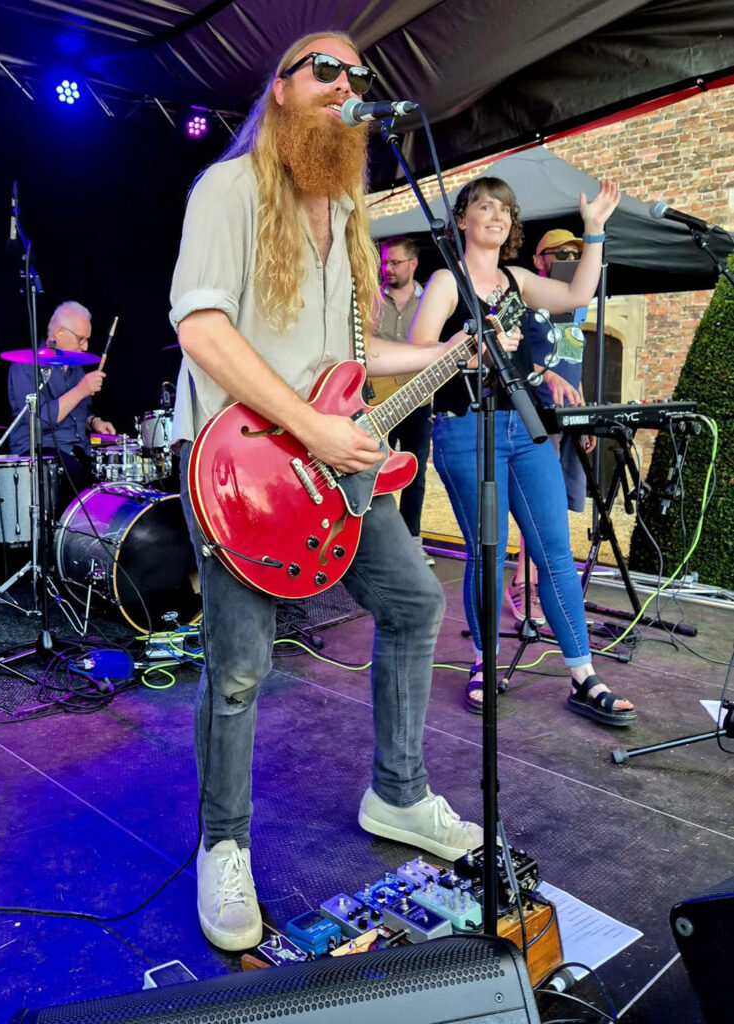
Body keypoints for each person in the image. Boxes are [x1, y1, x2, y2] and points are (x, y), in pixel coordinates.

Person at [169, 31, 487, 953]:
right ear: (279, 90)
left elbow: (351, 356)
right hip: (239, 466)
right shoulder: (229, 188)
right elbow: (201, 327)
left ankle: (397, 792)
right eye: (324, 69)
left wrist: (441, 354)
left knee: (414, 601)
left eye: (357, 74)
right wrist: (310, 430)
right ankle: (222, 845)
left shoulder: (348, 209)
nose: (345, 84)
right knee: (239, 666)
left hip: (333, 453)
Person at [409, 175, 636, 727]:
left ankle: (583, 675)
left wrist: (595, 231)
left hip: (524, 426)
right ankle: (484, 662)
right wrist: (470, 355)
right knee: (486, 551)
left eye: (505, 210)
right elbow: (418, 355)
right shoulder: (446, 281)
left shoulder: (517, 280)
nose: (496, 216)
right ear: (462, 219)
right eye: (484, 206)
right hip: (466, 427)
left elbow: (577, 296)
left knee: (554, 550)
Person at [504, 229, 596, 625]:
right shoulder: (525, 301)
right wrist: (546, 377)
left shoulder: (574, 309)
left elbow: (573, 364)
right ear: (539, 259)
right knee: (539, 503)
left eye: (575, 253)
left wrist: (583, 412)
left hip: (566, 414)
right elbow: (514, 356)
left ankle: (547, 584)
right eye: (560, 253)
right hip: (536, 412)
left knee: (560, 503)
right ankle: (524, 584)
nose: (569, 259)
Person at [7, 300, 115, 496]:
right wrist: (81, 390)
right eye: (81, 339)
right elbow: (38, 421)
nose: (85, 347)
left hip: (79, 452)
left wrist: (94, 422)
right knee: (77, 478)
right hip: (42, 455)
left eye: (87, 340)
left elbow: (80, 412)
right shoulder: (25, 366)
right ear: (59, 333)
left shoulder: (76, 368)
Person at [374, 235, 434, 564]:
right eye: (385, 262)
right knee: (374, 471)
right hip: (377, 403)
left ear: (413, 263)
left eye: (395, 262)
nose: (388, 268)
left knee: (415, 473)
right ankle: (375, 545)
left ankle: (412, 542)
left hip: (417, 402)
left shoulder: (431, 303)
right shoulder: (371, 298)